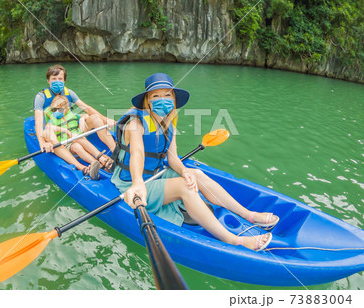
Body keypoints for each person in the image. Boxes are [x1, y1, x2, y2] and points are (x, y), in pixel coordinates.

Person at [111, 73, 279, 251]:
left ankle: (249, 215)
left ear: (174, 99)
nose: (162, 100)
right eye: (155, 96)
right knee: (184, 187)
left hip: (155, 174)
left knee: (195, 174)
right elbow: (137, 152)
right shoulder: (136, 123)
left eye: (167, 95)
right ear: (147, 101)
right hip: (133, 183)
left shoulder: (168, 122)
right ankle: (233, 240)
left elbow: (172, 156)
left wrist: (184, 171)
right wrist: (138, 182)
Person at [33, 64, 116, 167]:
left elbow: (86, 108)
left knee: (96, 118)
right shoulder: (41, 97)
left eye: (60, 79)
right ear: (48, 81)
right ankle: (93, 162)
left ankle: (116, 152)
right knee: (53, 134)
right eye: (54, 79)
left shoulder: (69, 93)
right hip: (55, 132)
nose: (57, 81)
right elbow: (38, 122)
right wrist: (42, 142)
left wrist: (105, 119)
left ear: (64, 81)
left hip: (73, 128)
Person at [44, 95, 114, 178]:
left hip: (77, 140)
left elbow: (84, 115)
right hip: (66, 145)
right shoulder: (52, 120)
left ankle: (100, 160)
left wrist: (82, 118)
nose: (56, 111)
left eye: (59, 109)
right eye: (54, 109)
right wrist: (66, 131)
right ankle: (100, 165)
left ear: (66, 110)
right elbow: (49, 128)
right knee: (76, 144)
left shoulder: (71, 115)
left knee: (77, 142)